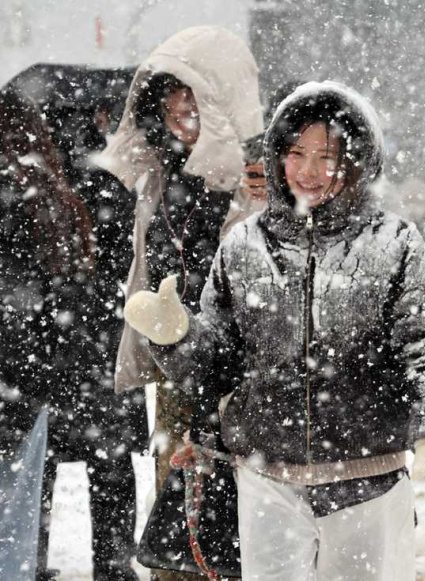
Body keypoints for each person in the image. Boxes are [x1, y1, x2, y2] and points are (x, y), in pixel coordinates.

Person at [123, 81, 425, 580]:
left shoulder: (393, 243)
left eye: (326, 156)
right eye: (295, 153)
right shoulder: (243, 245)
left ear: (357, 162)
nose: (307, 171)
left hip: (367, 478)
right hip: (268, 481)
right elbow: (217, 365)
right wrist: (177, 336)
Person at [96, 25, 265, 581]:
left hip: (248, 373)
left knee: (250, 506)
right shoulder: (160, 174)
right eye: (171, 114)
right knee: (182, 500)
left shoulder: (262, 177)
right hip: (177, 363)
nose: (181, 125)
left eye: (192, 109)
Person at [0, 89, 117, 580]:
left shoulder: (27, 197)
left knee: (26, 489)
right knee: (81, 480)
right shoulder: (62, 191)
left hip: (25, 366)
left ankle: (29, 563)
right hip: (66, 361)